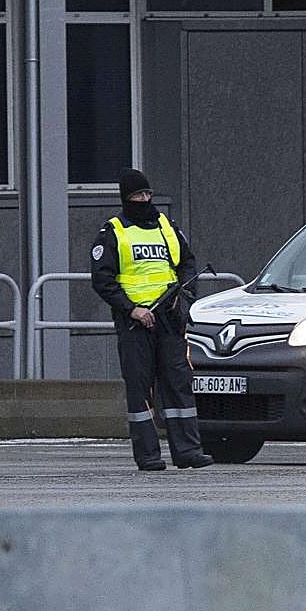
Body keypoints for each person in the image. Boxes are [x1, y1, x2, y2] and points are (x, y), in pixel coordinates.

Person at [91, 168, 214, 471]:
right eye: (137, 196)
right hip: (135, 321)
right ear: (126, 199)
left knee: (179, 384)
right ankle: (148, 456)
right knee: (140, 387)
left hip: (170, 319)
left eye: (147, 194)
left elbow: (187, 263)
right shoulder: (113, 231)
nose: (144, 200)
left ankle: (187, 451)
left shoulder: (166, 226)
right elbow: (102, 279)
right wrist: (131, 309)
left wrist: (183, 298)